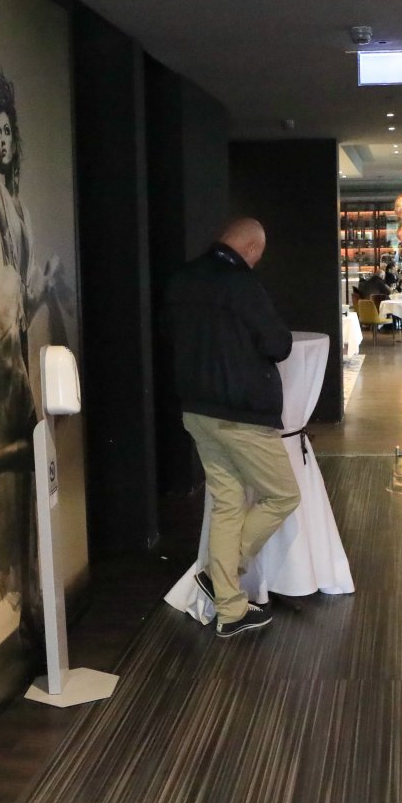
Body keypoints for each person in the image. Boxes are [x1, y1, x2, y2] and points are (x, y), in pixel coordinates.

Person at [0, 67, 69, 637]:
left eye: (8, 133)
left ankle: (32, 599)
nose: (2, 142)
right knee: (33, 438)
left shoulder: (22, 204)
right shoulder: (3, 197)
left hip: (18, 322)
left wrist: (45, 282)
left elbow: (27, 282)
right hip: (3, 329)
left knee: (36, 450)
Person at [164, 218, 301, 638]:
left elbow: (170, 336)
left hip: (196, 409)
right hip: (241, 414)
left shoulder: (182, 278)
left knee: (227, 502)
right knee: (283, 495)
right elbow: (277, 343)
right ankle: (218, 575)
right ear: (253, 248)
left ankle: (231, 609)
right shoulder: (242, 283)